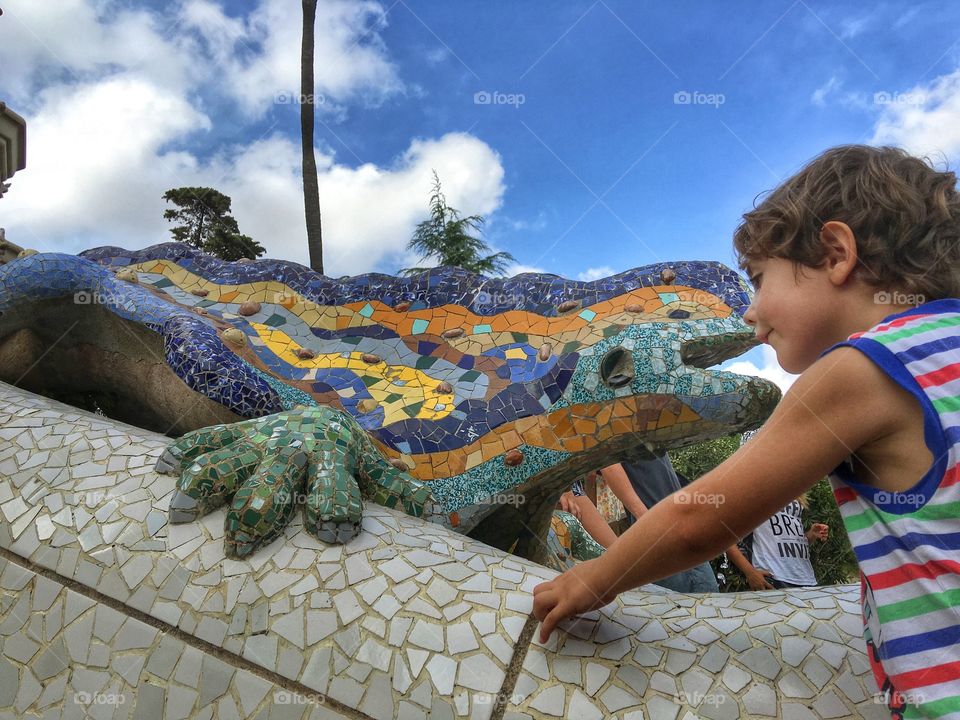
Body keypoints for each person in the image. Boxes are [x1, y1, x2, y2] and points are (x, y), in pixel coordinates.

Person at [532, 145, 960, 718]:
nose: (751, 313)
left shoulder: (864, 368)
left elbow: (699, 520)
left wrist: (594, 580)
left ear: (836, 254)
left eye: (760, 280)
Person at [602, 457, 719, 592]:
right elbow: (609, 466)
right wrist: (645, 517)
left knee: (708, 597)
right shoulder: (616, 440)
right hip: (657, 534)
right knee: (677, 604)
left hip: (681, 524)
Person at [725, 495, 829, 590]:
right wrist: (750, 572)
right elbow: (726, 536)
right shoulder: (756, 490)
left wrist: (811, 535)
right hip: (773, 576)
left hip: (806, 577)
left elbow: (787, 538)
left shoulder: (796, 492)